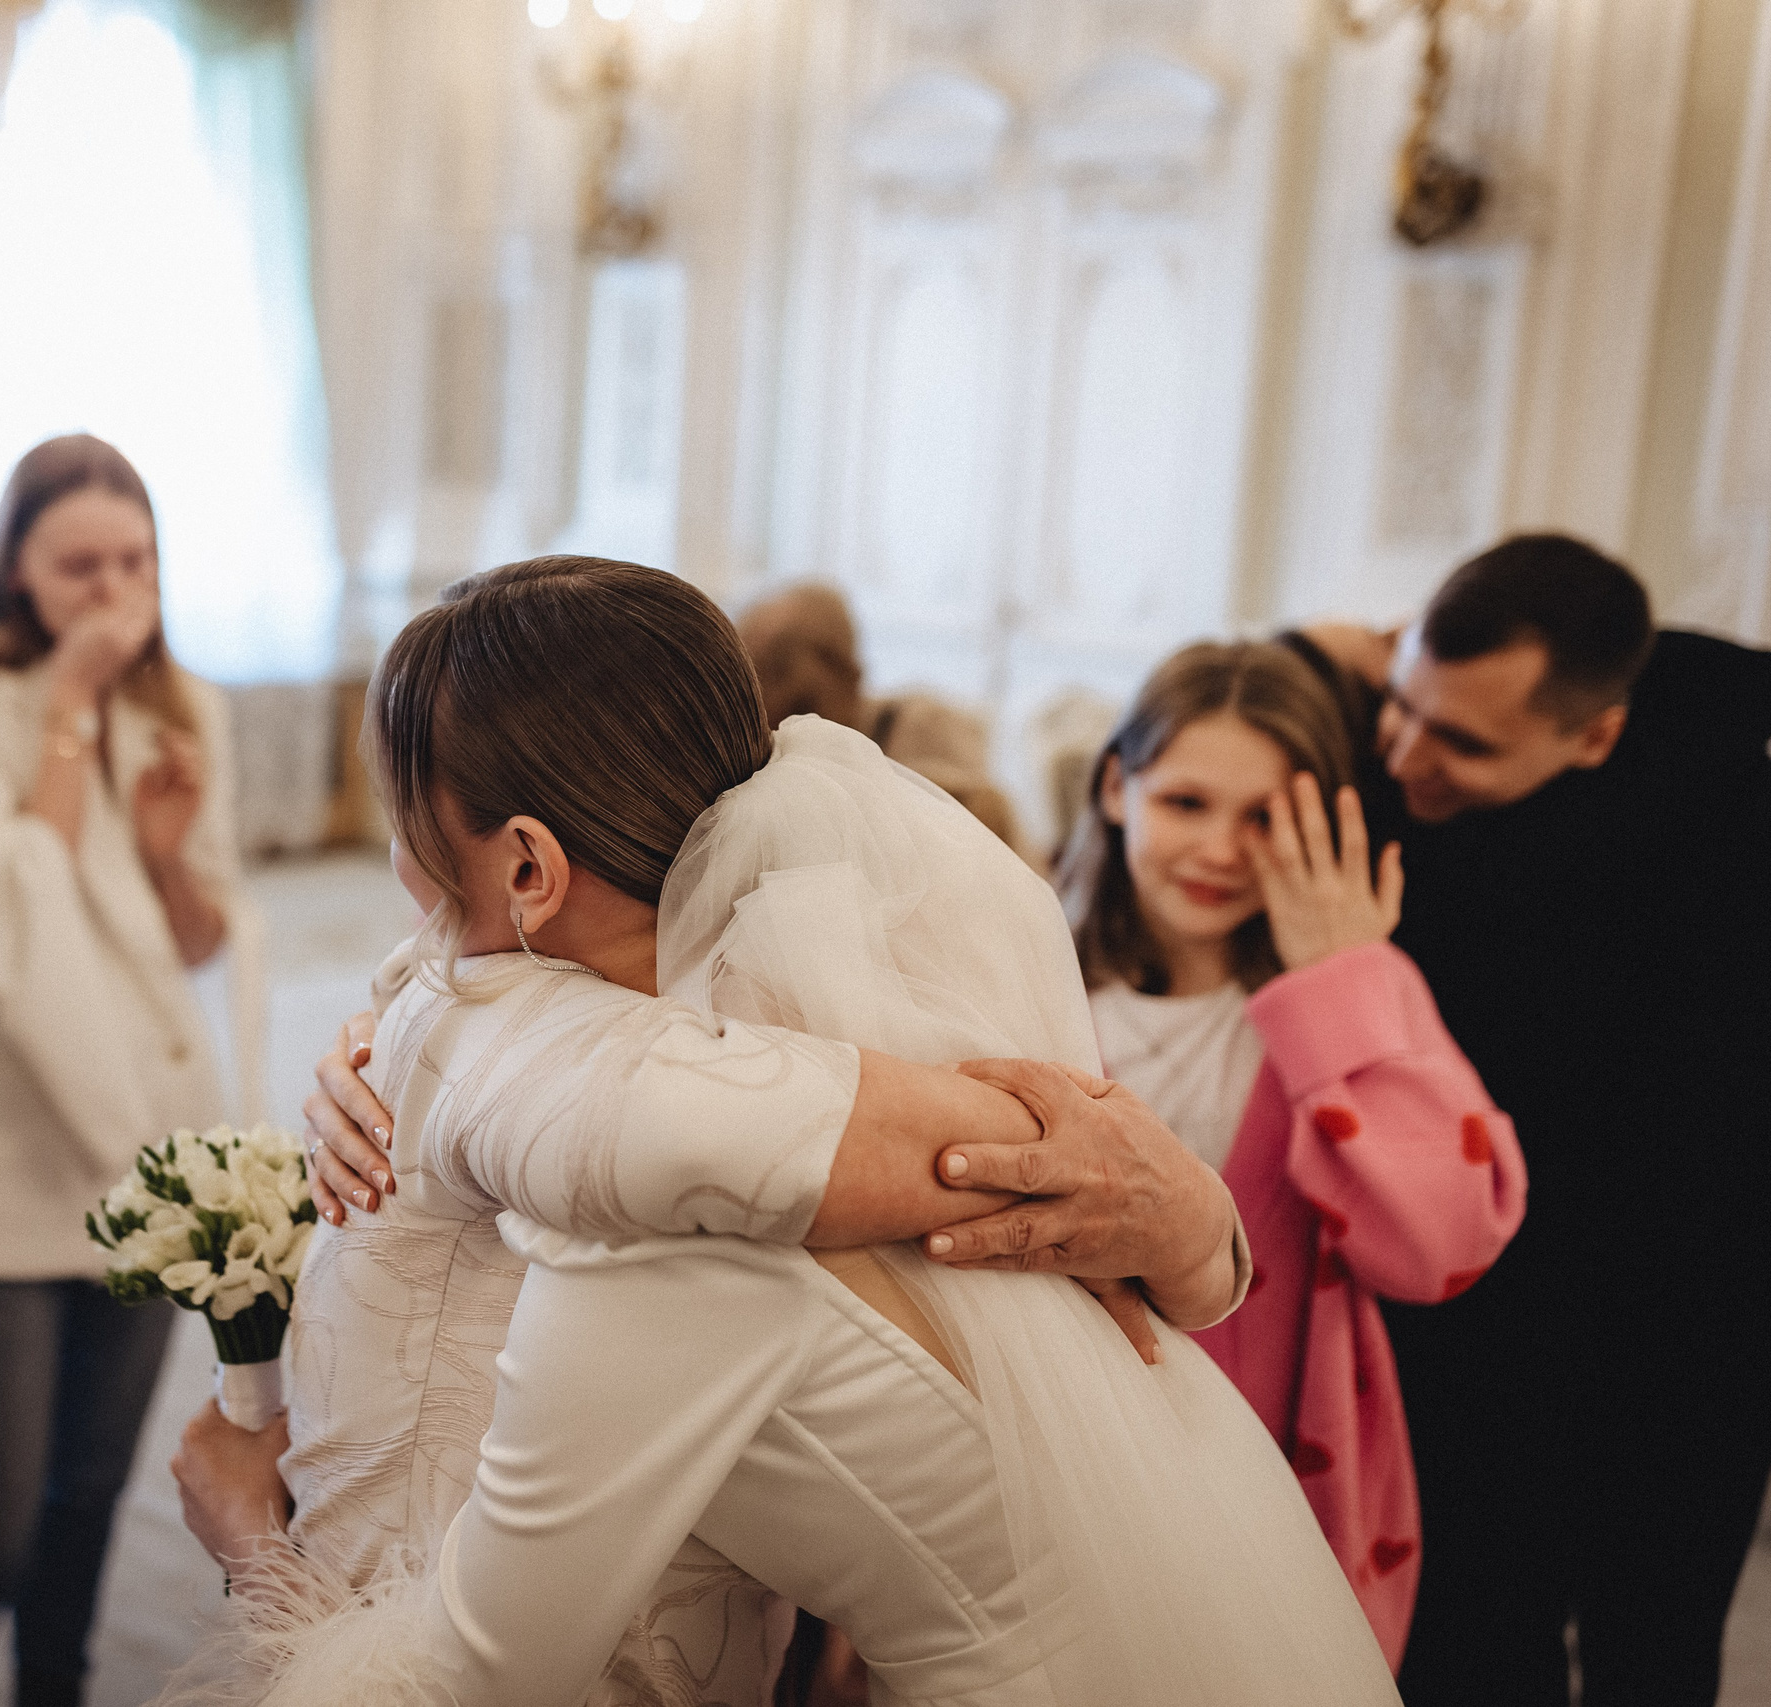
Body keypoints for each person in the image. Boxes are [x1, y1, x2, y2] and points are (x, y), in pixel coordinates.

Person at [167, 559, 1396, 1706]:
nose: (401, 876)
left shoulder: (664, 1218)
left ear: (530, 870)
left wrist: (244, 1532)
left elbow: (486, 1676)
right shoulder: (851, 1024)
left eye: (409, 830)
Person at [1298, 536, 1771, 1707]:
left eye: (1463, 743)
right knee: (1465, 1644)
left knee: (1652, 1651)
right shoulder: (1388, 779)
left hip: (1693, 1323)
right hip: (1469, 1312)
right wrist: (1306, 652)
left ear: (1594, 736)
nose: (1406, 755)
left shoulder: (1726, 826)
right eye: (1402, 704)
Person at [1053, 637, 1526, 1665]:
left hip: (1274, 1494)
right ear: (1118, 789)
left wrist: (1343, 981)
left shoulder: (1355, 996)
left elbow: (1440, 1245)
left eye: (1264, 817)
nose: (1222, 850)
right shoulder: (1030, 976)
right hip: (1056, 1471)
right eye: (1187, 802)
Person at [0, 434, 249, 1706]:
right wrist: (73, 706)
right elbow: (17, 900)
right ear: (15, 566)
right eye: (80, 564)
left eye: (135, 560)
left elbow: (197, 944)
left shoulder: (188, 706)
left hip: (146, 1139)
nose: (114, 590)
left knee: (87, 1497)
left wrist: (167, 852)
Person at [735, 579, 1026, 853]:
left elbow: (989, 823)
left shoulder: (922, 723)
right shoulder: (777, 760)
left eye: (778, 670)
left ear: (847, 672)